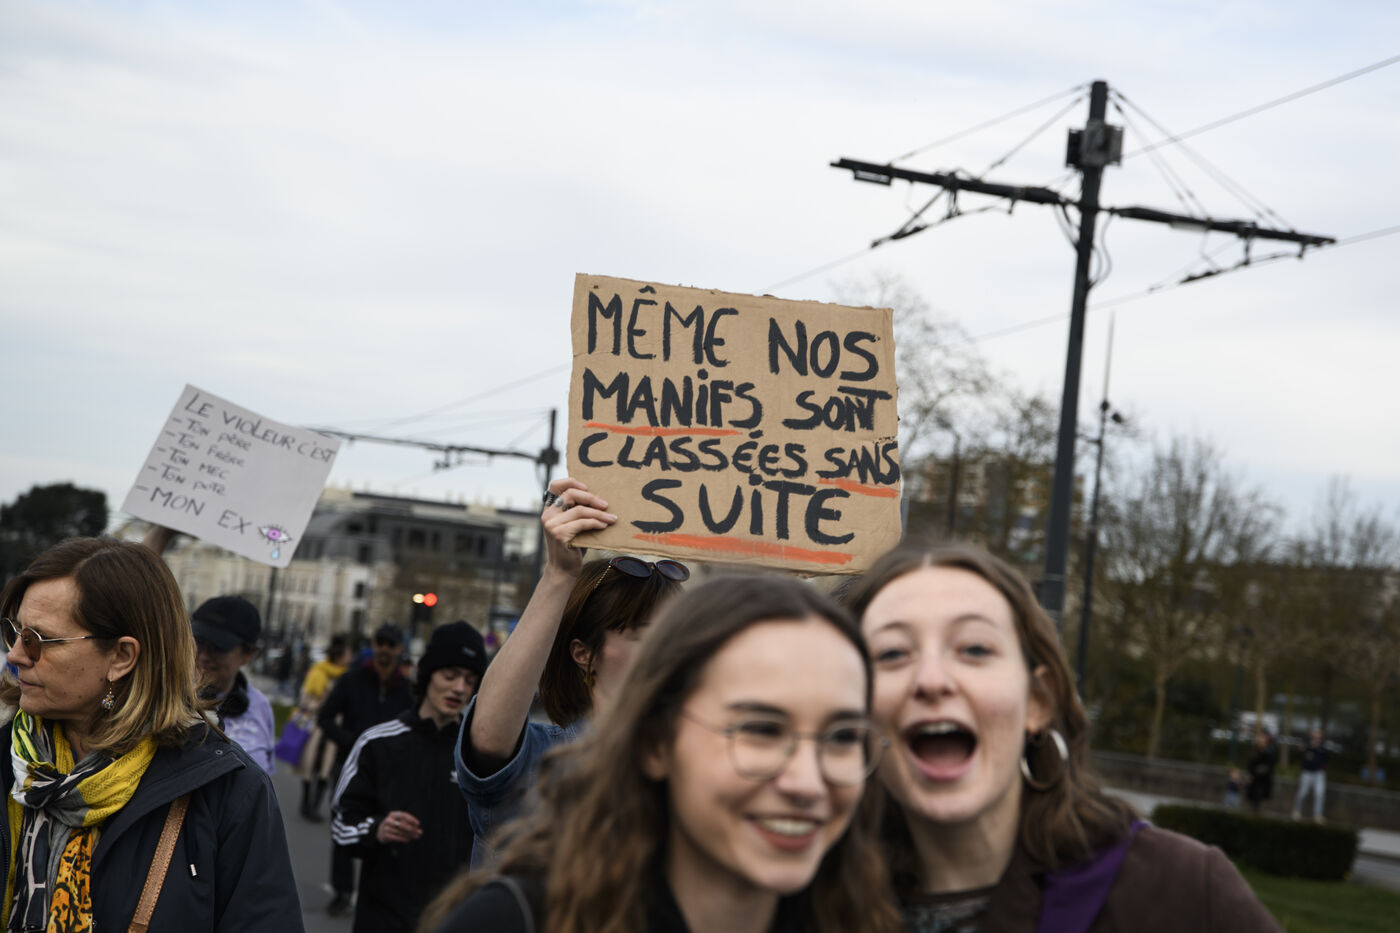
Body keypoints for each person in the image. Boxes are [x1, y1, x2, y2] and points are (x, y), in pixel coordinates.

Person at [423, 574, 904, 933]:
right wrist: (557, 576)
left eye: (842, 738)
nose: (805, 781)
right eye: (760, 731)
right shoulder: (519, 911)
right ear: (658, 748)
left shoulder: (849, 910)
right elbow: (490, 739)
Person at [845, 543, 1281, 933]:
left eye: (974, 649)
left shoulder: (1183, 892)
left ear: (1038, 701)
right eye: (893, 653)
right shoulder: (818, 902)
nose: (931, 680)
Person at [0, 536, 302, 930]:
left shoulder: (227, 791)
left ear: (121, 657)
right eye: (14, 632)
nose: (15, 655)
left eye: (38, 640)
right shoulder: (8, 755)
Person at [455, 476, 687, 866]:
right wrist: (559, 574)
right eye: (645, 636)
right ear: (584, 654)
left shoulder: (696, 768)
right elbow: (489, 737)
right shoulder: (543, 763)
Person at [331, 620, 488, 933]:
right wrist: (377, 829)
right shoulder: (377, 743)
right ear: (427, 675)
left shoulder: (479, 755)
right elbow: (341, 824)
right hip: (383, 919)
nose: (459, 688)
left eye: (470, 680)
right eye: (450, 676)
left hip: (452, 920)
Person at [318, 620, 415, 916]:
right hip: (349, 767)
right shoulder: (351, 680)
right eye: (380, 643)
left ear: (399, 649)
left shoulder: (407, 691)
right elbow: (324, 717)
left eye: (391, 644)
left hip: (390, 774)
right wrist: (350, 742)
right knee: (344, 825)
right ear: (373, 646)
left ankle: (378, 892)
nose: (384, 649)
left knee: (385, 831)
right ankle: (342, 890)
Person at [191, 594, 276, 774]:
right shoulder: (165, 699)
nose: (204, 656)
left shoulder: (260, 706)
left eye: (218, 647)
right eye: (199, 641)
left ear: (249, 654)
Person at [296, 634, 351, 821]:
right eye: (347, 655)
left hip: (334, 728)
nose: (349, 658)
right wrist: (322, 703)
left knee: (326, 769)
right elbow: (306, 698)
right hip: (315, 725)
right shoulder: (318, 672)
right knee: (309, 765)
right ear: (339, 657)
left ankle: (315, 806)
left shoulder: (346, 678)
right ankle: (305, 802)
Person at [1292, 728, 1328, 821]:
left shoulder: (1323, 747)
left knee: (1319, 794)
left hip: (1319, 773)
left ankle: (1317, 815)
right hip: (1306, 772)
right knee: (1303, 792)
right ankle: (1296, 810)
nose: (1317, 736)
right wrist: (1309, 746)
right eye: (1315, 733)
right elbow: (1300, 752)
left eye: (1318, 734)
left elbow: (1326, 759)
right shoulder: (1306, 744)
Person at [1245, 729, 1277, 816]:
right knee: (1252, 802)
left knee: (1260, 801)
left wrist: (1259, 770)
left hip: (1263, 780)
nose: (1260, 739)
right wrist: (1250, 774)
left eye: (1262, 737)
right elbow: (1251, 764)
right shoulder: (1255, 750)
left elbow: (1269, 766)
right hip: (1254, 780)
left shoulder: (1269, 751)